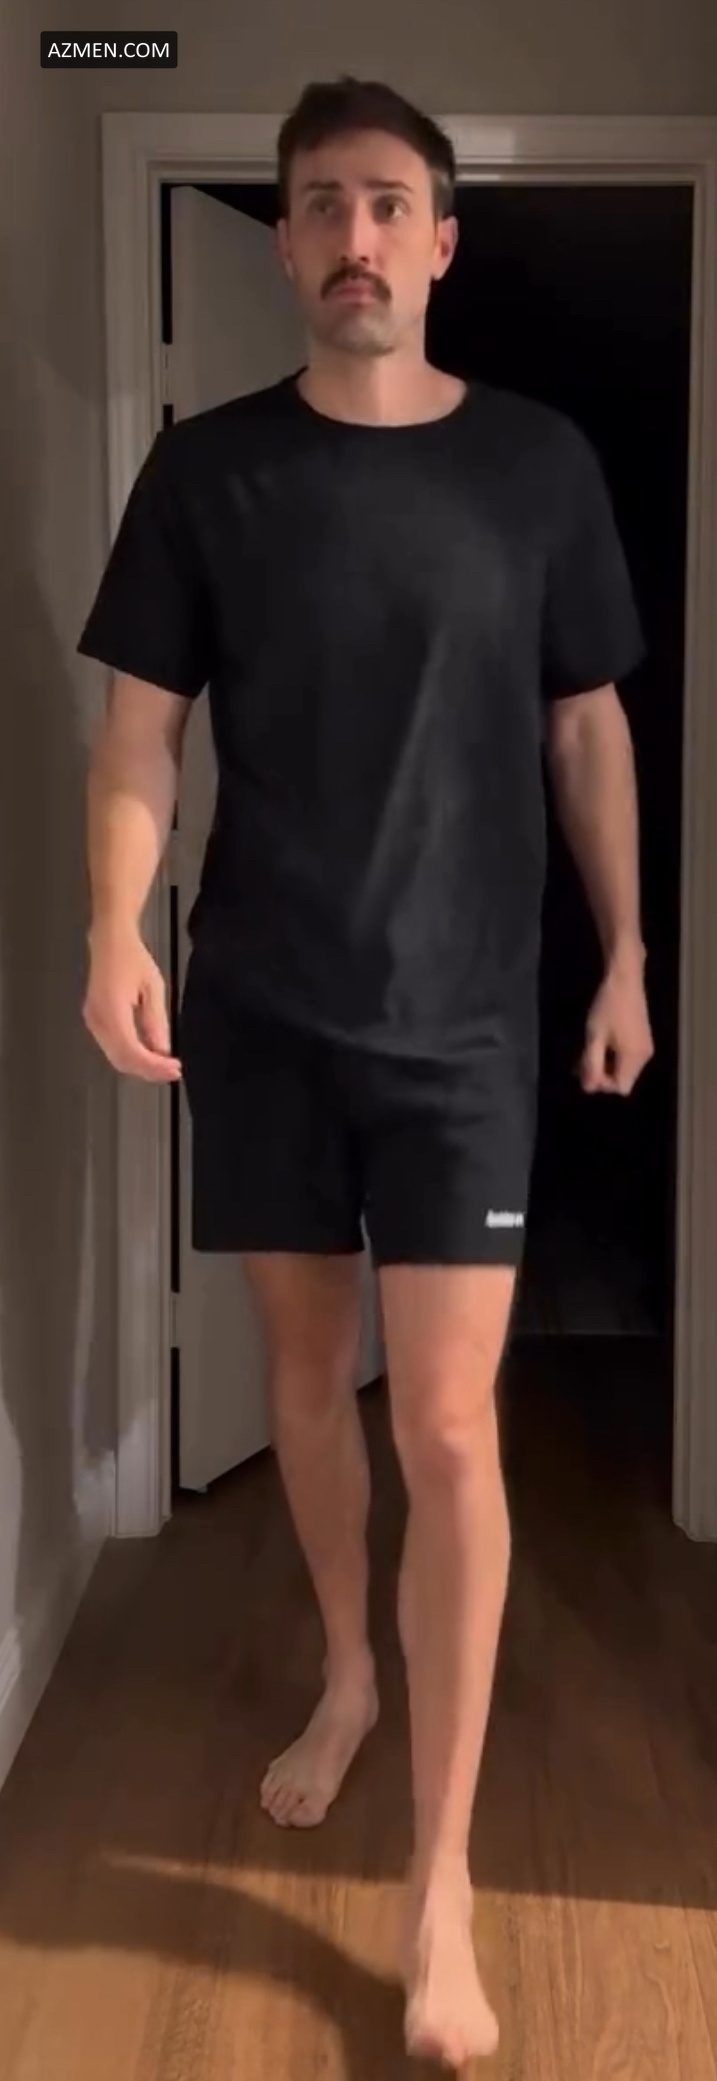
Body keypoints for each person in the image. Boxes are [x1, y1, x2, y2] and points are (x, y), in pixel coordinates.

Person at [77, 74, 655, 2069]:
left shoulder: (535, 465)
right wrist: (111, 927)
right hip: (260, 1008)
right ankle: (347, 1668)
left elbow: (586, 728)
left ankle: (441, 1885)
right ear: (282, 244)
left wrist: (627, 957)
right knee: (306, 1388)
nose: (354, 235)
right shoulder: (206, 472)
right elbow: (139, 733)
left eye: (388, 201)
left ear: (440, 242)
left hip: (465, 1025)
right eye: (320, 202)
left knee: (453, 1431)